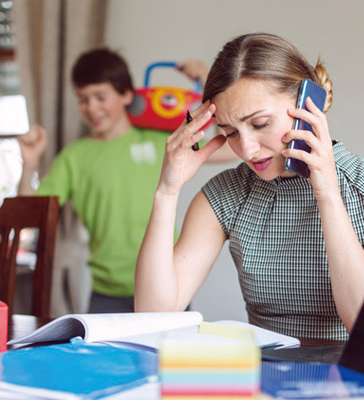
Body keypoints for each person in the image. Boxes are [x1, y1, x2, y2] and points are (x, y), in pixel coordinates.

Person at [135, 33, 364, 341]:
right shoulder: (224, 195)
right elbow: (154, 314)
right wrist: (167, 192)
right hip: (266, 382)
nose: (246, 149)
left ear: (309, 104)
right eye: (231, 132)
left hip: (354, 380)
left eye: (259, 124)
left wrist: (326, 193)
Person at [18, 48, 233, 314]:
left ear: (126, 95)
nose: (92, 107)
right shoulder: (73, 157)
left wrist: (207, 83)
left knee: (172, 358)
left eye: (100, 97)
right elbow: (28, 215)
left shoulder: (161, 141)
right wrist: (29, 163)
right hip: (106, 296)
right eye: (83, 99)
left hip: (166, 288)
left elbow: (224, 148)